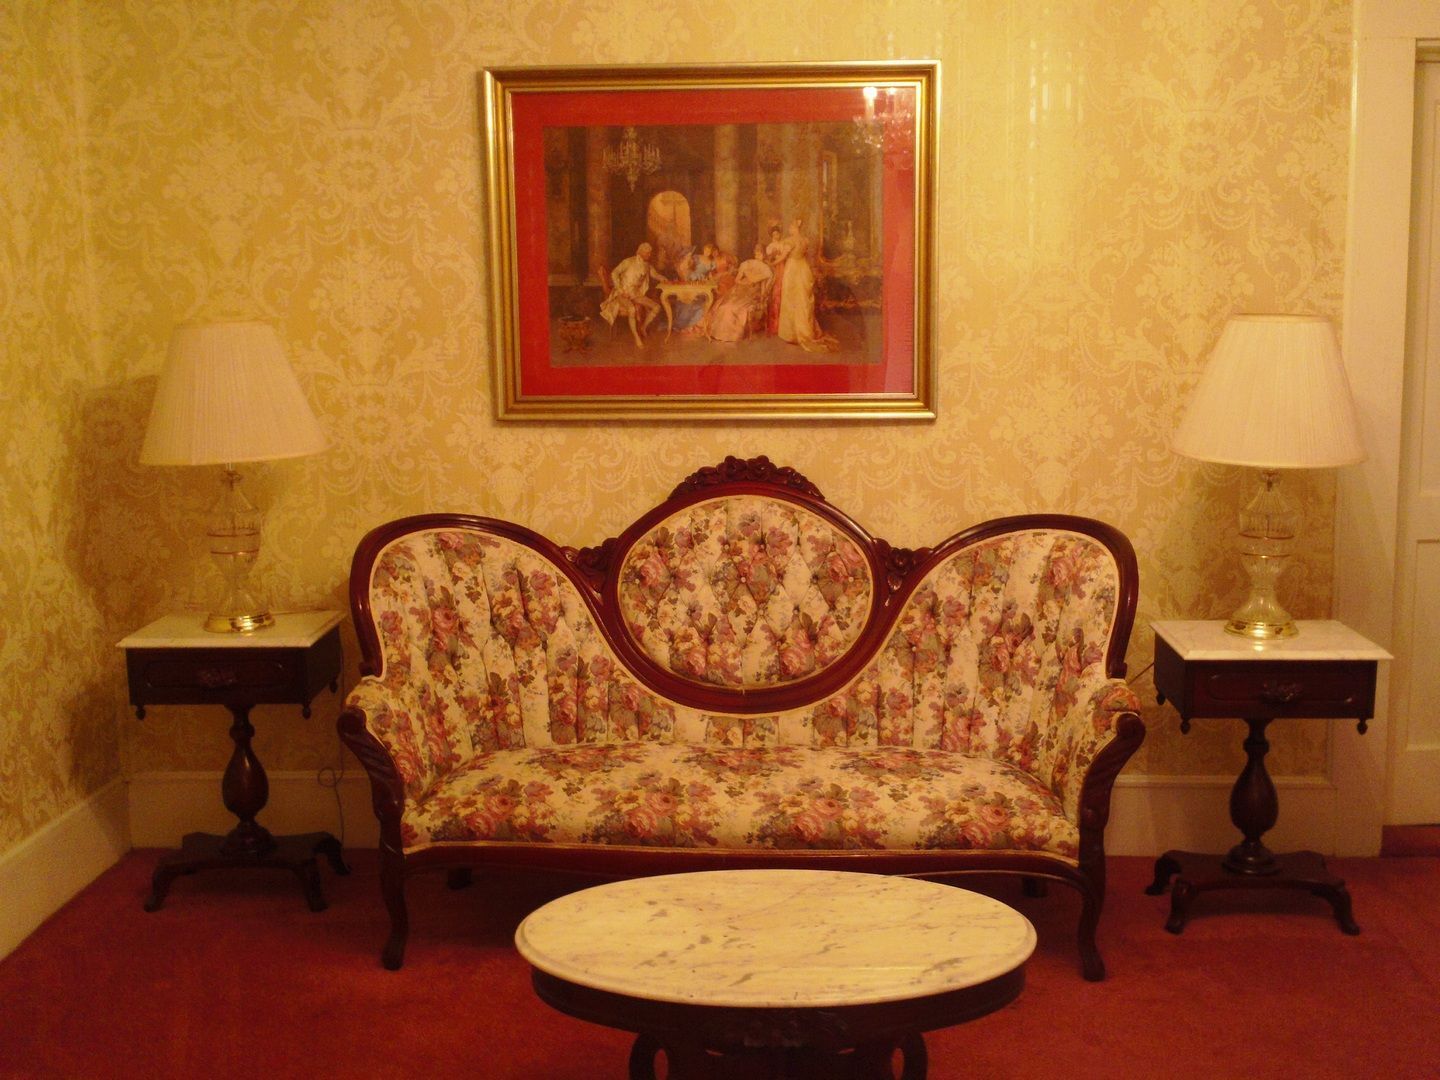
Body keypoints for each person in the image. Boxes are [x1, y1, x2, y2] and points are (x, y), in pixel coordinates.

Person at [776, 218, 839, 352]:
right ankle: (805, 330)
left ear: (794, 228)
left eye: (790, 227)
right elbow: (805, 255)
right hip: (804, 268)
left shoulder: (790, 241)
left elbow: (783, 257)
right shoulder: (805, 240)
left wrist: (773, 263)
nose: (789, 230)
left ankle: (793, 334)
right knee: (803, 300)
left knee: (791, 299)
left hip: (792, 269)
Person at [600, 242, 667, 347]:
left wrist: (665, 279)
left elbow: (656, 275)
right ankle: (636, 337)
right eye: (647, 253)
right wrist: (620, 289)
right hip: (622, 293)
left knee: (657, 307)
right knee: (632, 309)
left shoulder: (647, 265)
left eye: (650, 253)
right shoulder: (628, 262)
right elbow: (614, 273)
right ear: (641, 253)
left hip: (636, 294)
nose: (649, 255)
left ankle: (643, 327)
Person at [707, 245, 774, 343]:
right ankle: (719, 333)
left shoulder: (766, 269)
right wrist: (744, 281)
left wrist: (749, 276)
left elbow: (756, 282)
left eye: (760, 254)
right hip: (739, 289)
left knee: (733, 307)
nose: (758, 256)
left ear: (764, 256)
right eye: (756, 253)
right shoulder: (747, 264)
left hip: (753, 292)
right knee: (723, 305)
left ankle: (730, 335)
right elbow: (737, 279)